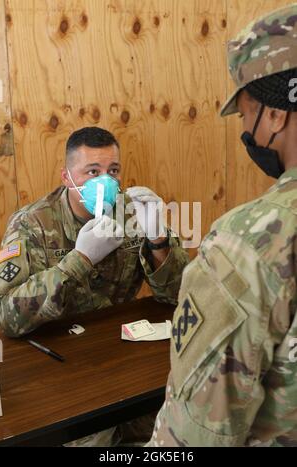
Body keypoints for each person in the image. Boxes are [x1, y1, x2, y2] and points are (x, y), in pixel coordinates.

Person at [147, 4, 297, 447]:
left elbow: (192, 437)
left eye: (246, 112)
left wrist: (157, 242)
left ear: (274, 114)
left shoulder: (250, 241)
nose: (246, 129)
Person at [0, 126, 189, 338]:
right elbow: (5, 318)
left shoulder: (133, 211)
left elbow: (178, 295)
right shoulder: (31, 223)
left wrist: (158, 239)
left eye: (113, 171)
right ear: (66, 177)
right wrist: (80, 259)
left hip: (118, 337)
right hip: (57, 342)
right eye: (93, 172)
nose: (105, 181)